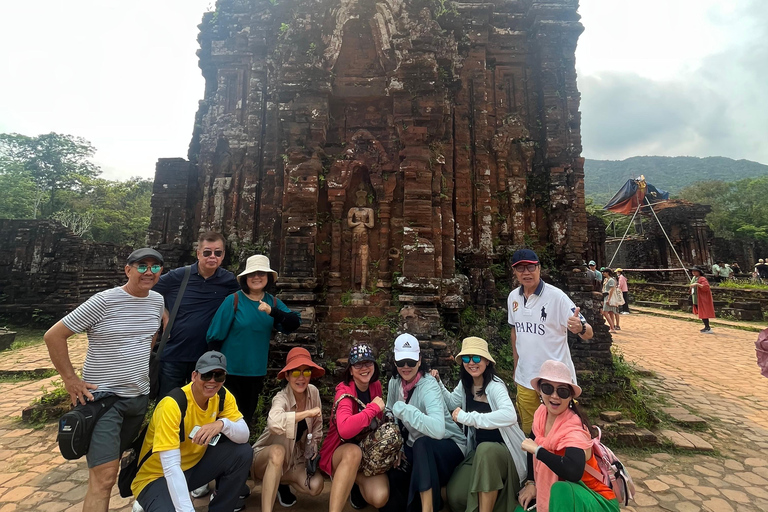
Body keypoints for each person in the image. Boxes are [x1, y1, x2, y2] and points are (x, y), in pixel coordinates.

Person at [43, 248, 165, 512]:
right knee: (106, 477)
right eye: (142, 265)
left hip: (137, 399)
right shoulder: (104, 301)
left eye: (155, 267)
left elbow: (150, 335)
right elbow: (54, 335)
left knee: (104, 473)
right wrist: (70, 379)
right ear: (128, 269)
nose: (148, 272)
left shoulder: (156, 301)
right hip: (104, 400)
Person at [131, 351, 252, 512]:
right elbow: (171, 467)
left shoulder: (222, 396)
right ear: (194, 376)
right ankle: (151, 500)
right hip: (157, 476)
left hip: (192, 468)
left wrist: (222, 424)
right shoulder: (172, 405)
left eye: (219, 376)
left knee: (243, 452)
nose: (212, 381)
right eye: (207, 375)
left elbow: (244, 435)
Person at [430, 336, 527, 512]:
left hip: (505, 452)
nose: (471, 363)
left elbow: (509, 415)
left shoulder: (495, 386)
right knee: (455, 495)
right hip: (478, 452)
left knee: (486, 450)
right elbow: (452, 403)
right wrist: (438, 384)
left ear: (487, 362)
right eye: (467, 358)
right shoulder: (466, 384)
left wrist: (469, 418)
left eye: (477, 358)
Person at [207, 254, 301, 428]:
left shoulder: (272, 302)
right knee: (223, 418)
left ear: (268, 278)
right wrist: (214, 370)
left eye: (261, 273)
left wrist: (272, 311)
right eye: (252, 274)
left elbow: (294, 322)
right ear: (245, 278)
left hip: (255, 372)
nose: (256, 277)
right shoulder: (234, 300)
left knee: (244, 419)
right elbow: (214, 335)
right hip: (229, 372)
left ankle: (239, 454)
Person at [507, 249, 593, 435]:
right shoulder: (513, 297)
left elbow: (589, 333)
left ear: (539, 268)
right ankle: (533, 464)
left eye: (531, 267)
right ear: (514, 272)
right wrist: (516, 368)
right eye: (520, 269)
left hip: (556, 383)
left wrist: (580, 328)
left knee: (560, 432)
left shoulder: (557, 297)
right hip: (525, 379)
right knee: (530, 432)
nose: (526, 273)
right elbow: (515, 333)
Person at [380, 334, 467, 512]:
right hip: (413, 448)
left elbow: (437, 430)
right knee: (395, 482)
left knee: (422, 444)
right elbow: (389, 412)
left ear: (419, 361)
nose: (406, 367)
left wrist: (405, 409)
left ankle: (429, 507)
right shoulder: (395, 382)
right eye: (401, 361)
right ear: (395, 361)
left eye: (411, 362)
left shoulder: (429, 385)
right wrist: (398, 446)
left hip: (448, 448)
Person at [516, 360, 618, 512]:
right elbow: (532, 448)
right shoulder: (540, 415)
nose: (555, 396)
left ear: (570, 396)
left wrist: (539, 451)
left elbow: (573, 471)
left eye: (562, 391)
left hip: (595, 498)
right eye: (548, 388)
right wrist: (531, 483)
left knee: (561, 490)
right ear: (539, 391)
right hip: (562, 495)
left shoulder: (573, 429)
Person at [153, 231, 240, 399]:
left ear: (223, 256)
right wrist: (164, 315)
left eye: (218, 252)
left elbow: (242, 303)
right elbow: (149, 291)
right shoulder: (180, 275)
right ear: (198, 253)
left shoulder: (228, 280)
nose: (212, 256)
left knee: (200, 404)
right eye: (207, 252)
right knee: (168, 403)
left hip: (206, 357)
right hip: (174, 353)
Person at [251, 347, 325, 512]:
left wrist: (313, 447)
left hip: (293, 460)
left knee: (316, 485)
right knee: (277, 452)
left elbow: (318, 426)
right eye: (295, 372)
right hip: (264, 457)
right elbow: (274, 423)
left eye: (306, 372)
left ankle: (279, 483)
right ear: (287, 375)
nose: (301, 378)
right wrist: (305, 413)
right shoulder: (281, 398)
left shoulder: (313, 393)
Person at [319, 343, 389, 512]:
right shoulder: (344, 393)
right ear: (350, 370)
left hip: (367, 452)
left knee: (379, 497)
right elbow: (344, 429)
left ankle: (352, 482)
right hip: (341, 454)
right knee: (352, 453)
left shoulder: (375, 386)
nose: (364, 368)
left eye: (368, 363)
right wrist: (372, 408)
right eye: (358, 364)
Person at [688, 267, 715, 334]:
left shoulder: (702, 278)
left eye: (695, 271)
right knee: (701, 313)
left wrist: (697, 284)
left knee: (704, 313)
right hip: (696, 298)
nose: (693, 272)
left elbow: (706, 287)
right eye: (692, 271)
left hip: (702, 298)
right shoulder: (694, 278)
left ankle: (708, 327)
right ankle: (706, 326)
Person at [601, 268, 620, 333]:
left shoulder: (611, 280)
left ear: (608, 273)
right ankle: (612, 326)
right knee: (610, 313)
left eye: (604, 272)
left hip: (609, 296)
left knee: (605, 312)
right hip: (606, 296)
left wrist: (608, 299)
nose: (603, 273)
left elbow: (612, 290)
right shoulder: (607, 280)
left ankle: (612, 327)